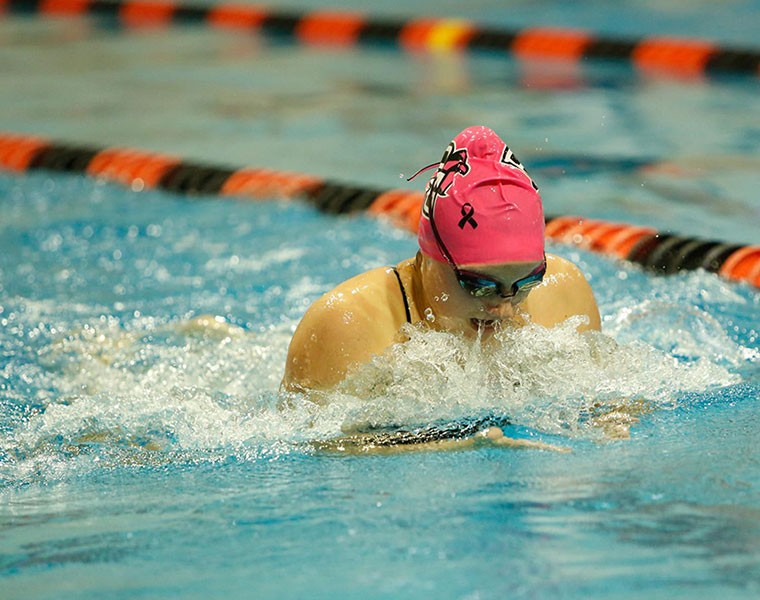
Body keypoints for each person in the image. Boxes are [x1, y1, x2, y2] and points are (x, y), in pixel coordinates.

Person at [282, 126, 601, 397]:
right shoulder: (347, 325)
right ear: (429, 257)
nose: (503, 308)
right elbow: (321, 451)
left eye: (526, 283)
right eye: (480, 286)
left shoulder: (563, 293)